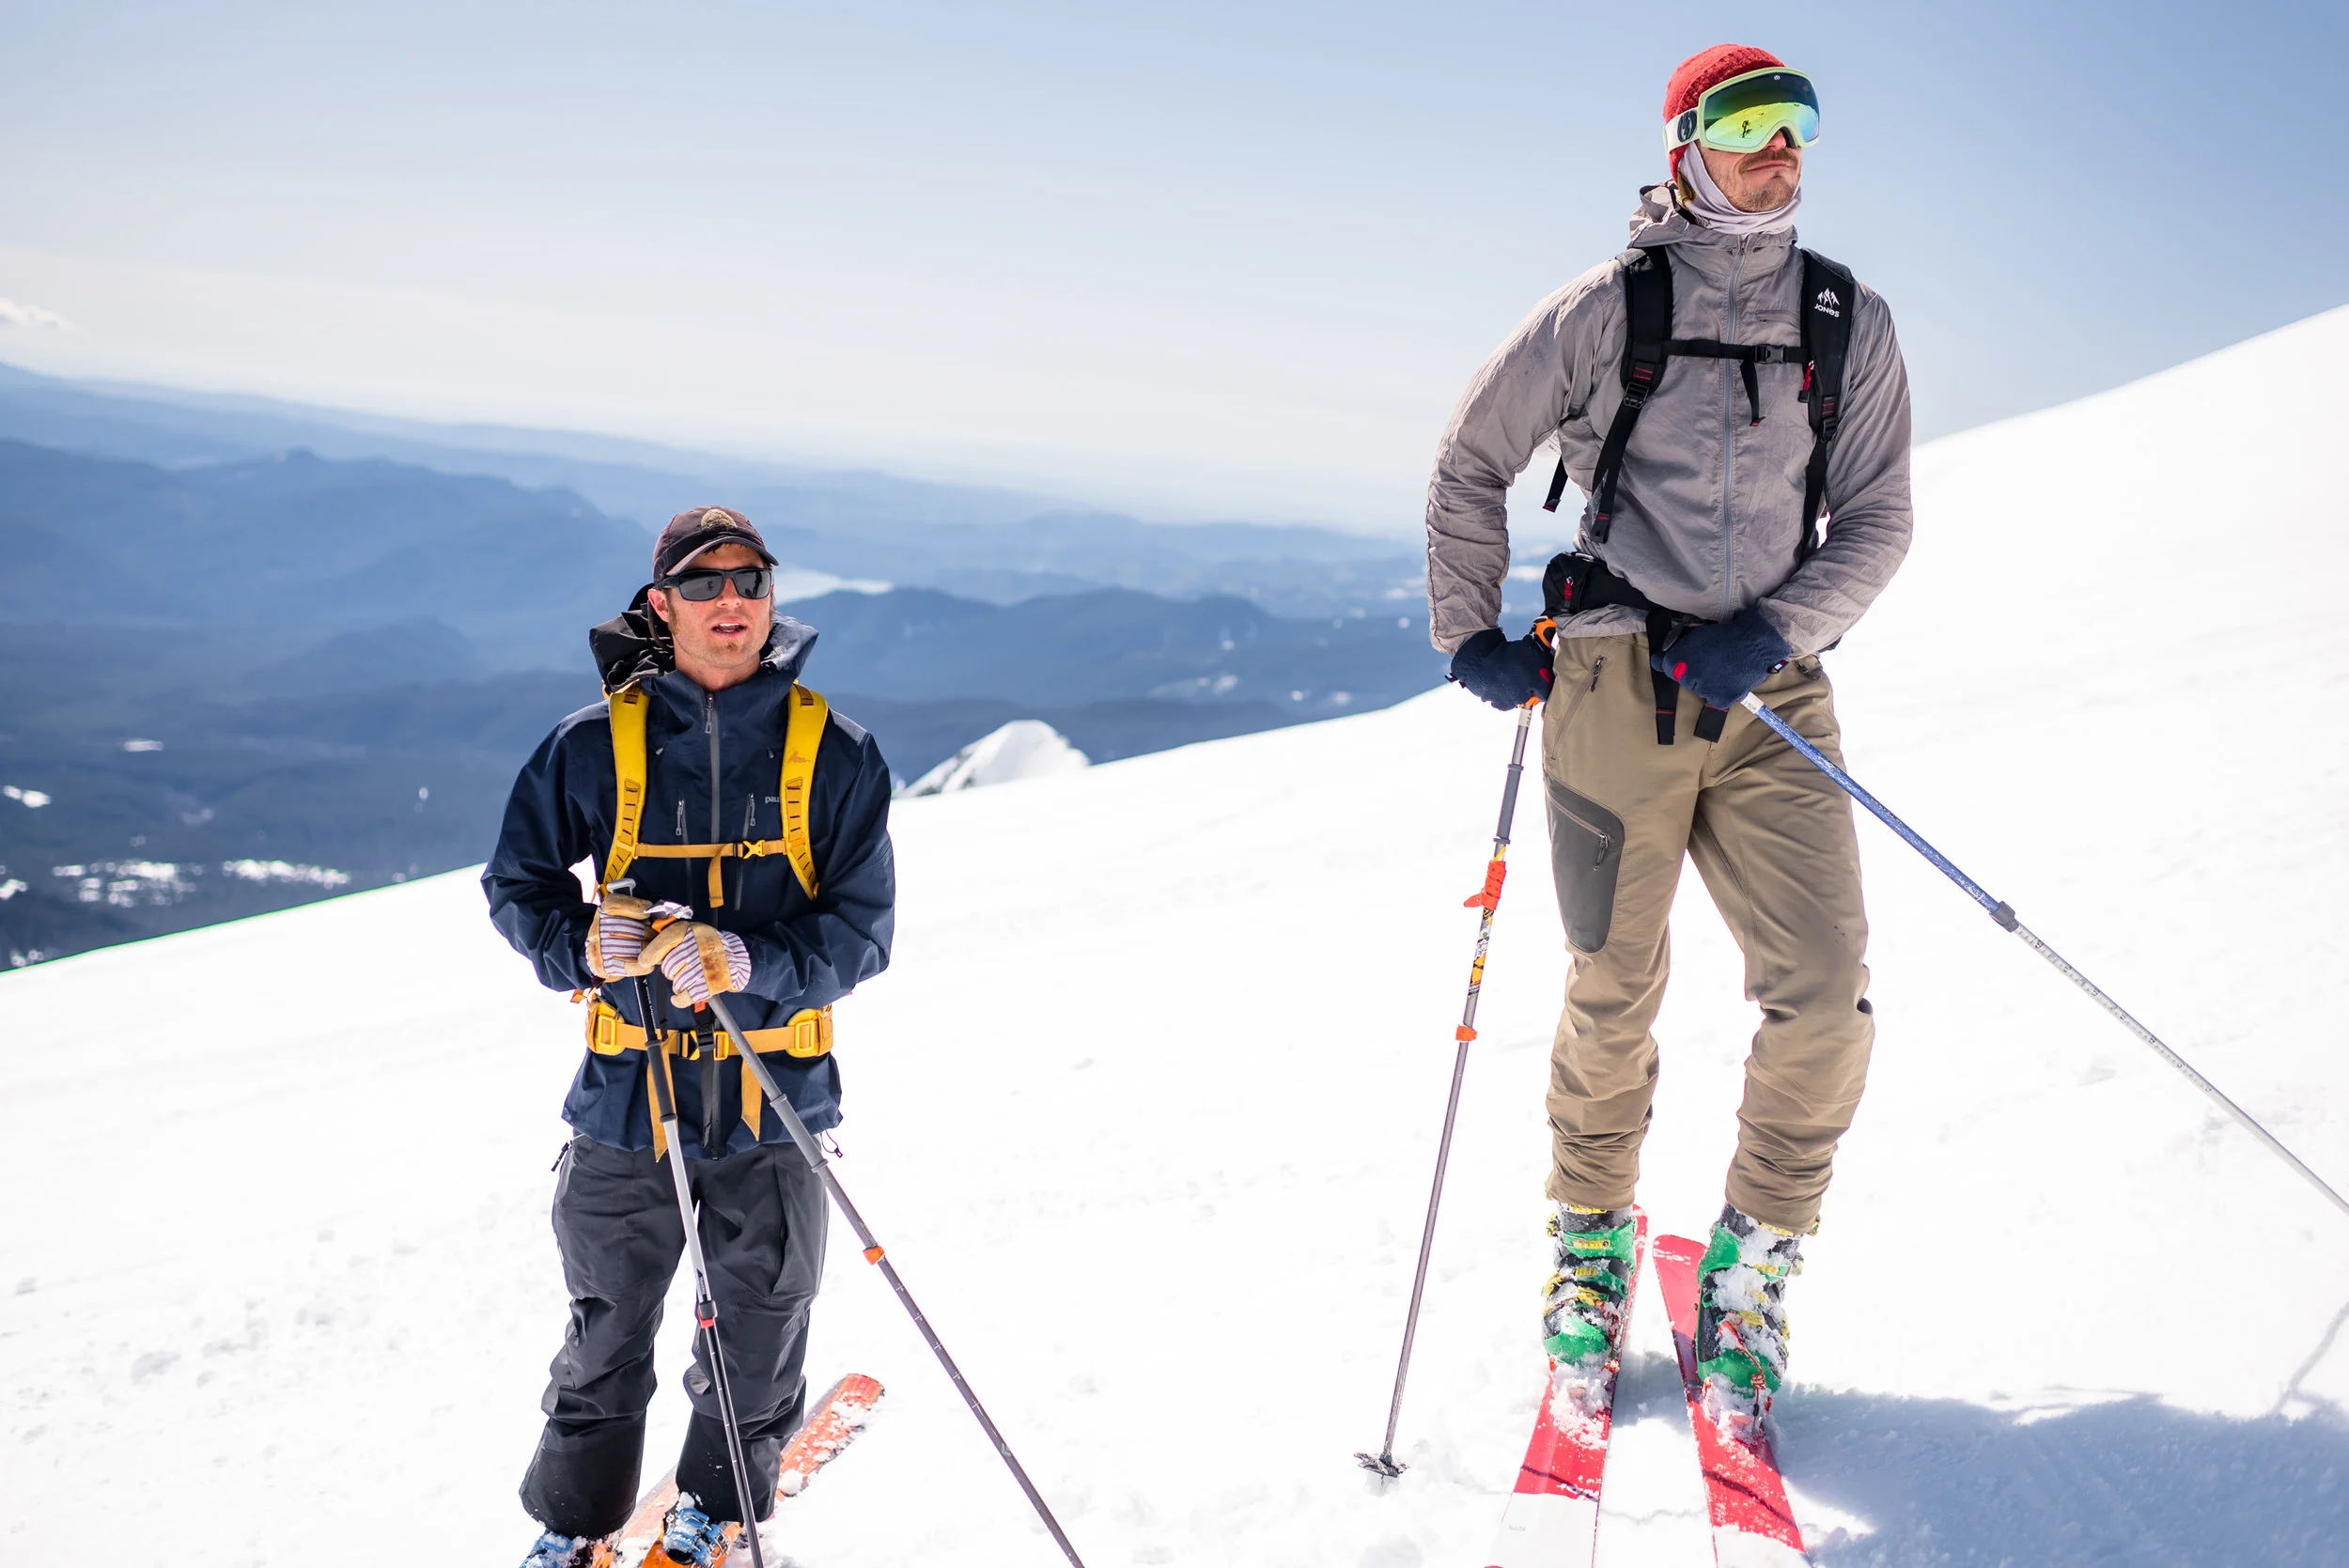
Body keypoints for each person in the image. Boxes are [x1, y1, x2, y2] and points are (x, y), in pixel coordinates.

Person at [1423, 44, 1912, 1427]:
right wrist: (1471, 631)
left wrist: (1786, 626)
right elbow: (1470, 460)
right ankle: (1591, 1248)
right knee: (1612, 987)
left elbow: (1879, 516)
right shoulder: (1603, 309)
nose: (1781, 148)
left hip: (1771, 696)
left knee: (1824, 990)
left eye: (1799, 123)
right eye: (1748, 123)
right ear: (1687, 143)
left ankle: (1754, 1267)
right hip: (1611, 689)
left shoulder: (1845, 320)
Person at [485, 505, 895, 1567]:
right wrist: (587, 943)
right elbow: (517, 886)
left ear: (771, 600)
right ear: (660, 606)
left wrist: (751, 962)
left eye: (751, 582)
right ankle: (570, 1531)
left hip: (775, 1099)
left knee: (758, 1334)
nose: (732, 603)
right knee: (606, 1332)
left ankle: (716, 1513)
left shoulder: (836, 755)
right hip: (631, 1095)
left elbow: (863, 931)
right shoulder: (591, 747)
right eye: (706, 585)